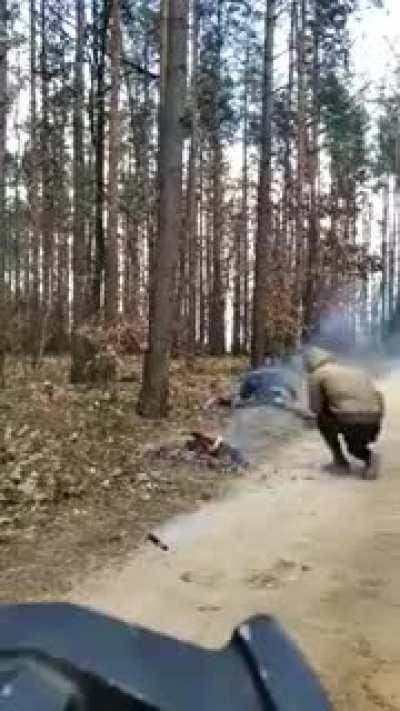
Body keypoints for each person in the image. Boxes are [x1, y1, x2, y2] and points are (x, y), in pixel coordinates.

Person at [304, 347, 384, 479]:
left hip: (347, 419)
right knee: (354, 448)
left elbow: (315, 408)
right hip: (373, 419)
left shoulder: (317, 374)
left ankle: (340, 462)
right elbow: (378, 396)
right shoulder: (354, 370)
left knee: (321, 421)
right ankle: (370, 458)